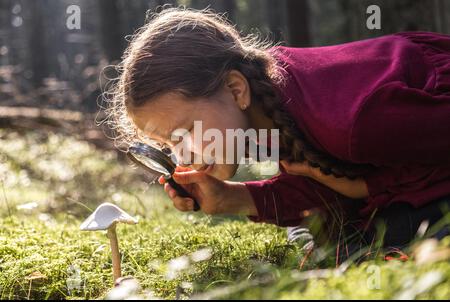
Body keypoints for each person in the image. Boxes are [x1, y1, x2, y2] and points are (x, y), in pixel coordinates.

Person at [104, 7, 450, 257]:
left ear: (235, 89)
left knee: (378, 244)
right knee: (340, 242)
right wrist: (231, 198)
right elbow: (319, 179)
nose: (184, 156)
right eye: (167, 145)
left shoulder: (354, 124)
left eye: (184, 132)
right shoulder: (263, 103)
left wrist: (362, 187)